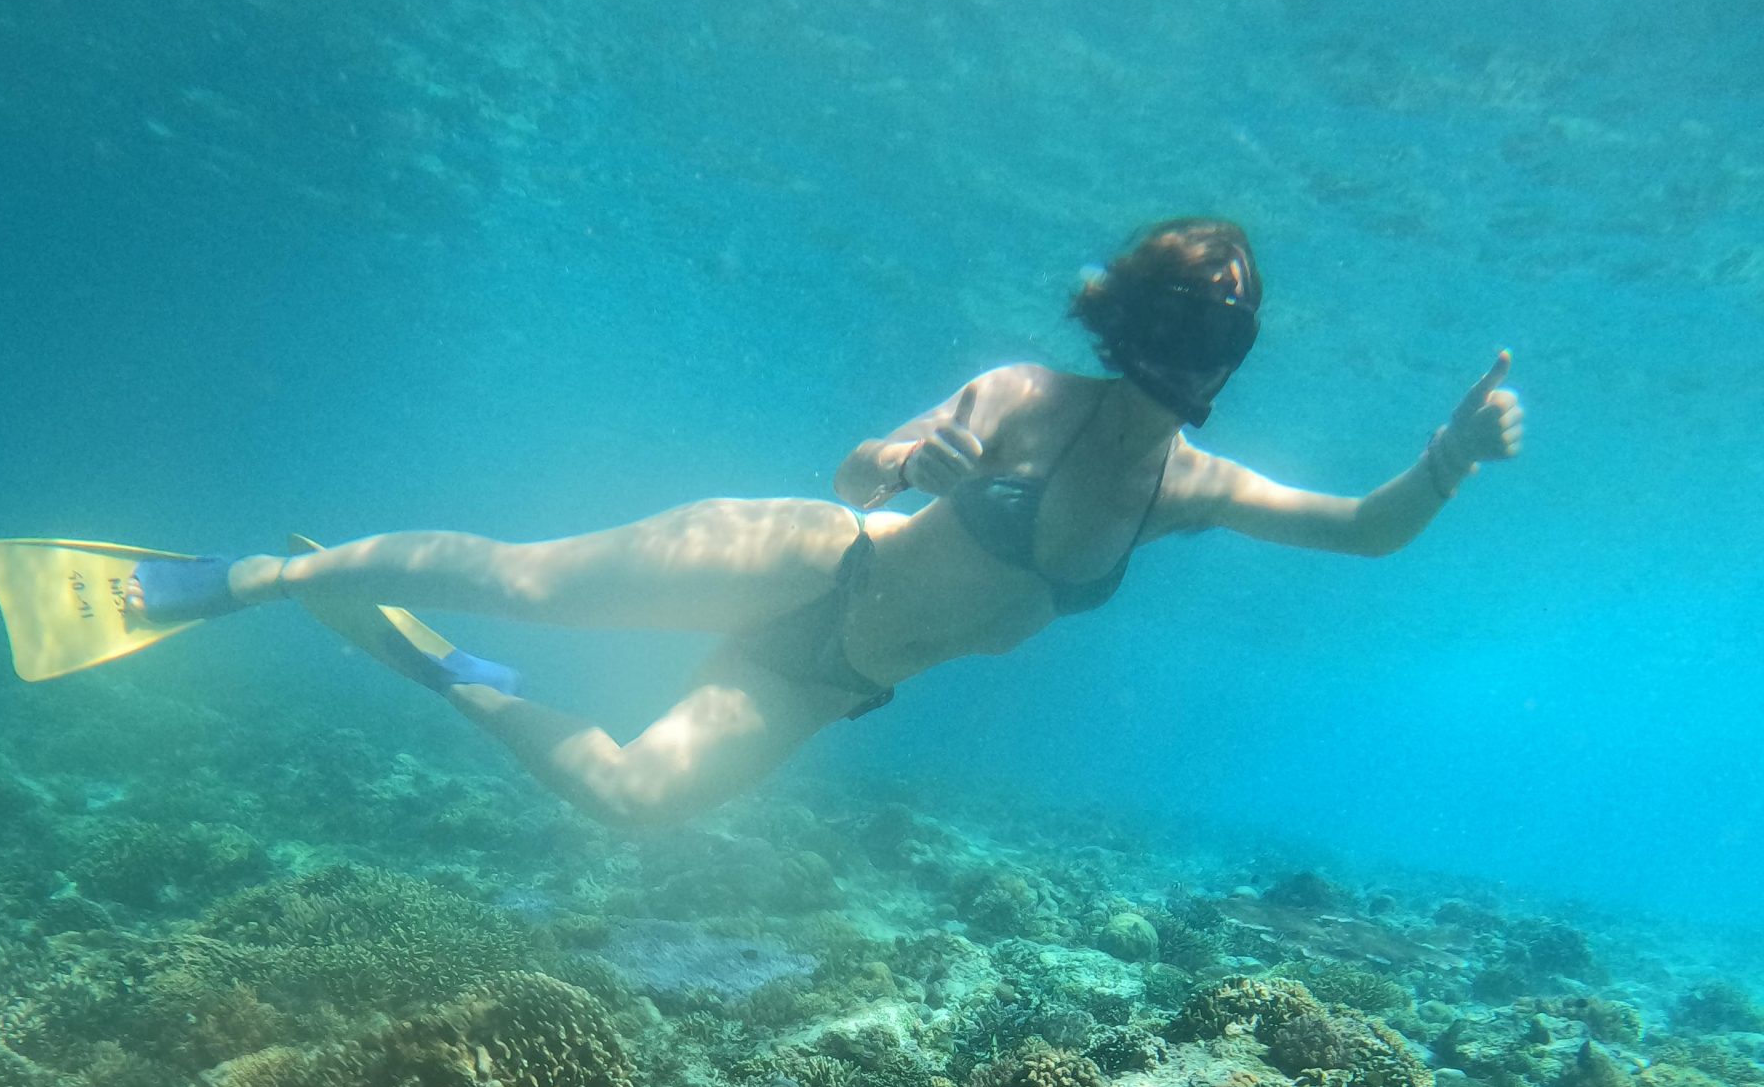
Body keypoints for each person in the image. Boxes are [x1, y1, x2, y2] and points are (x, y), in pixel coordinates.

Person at [128, 219, 1523, 828]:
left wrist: (1447, 461)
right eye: (1170, 314)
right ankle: (258, 576)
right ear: (1125, 316)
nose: (1188, 348)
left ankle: (436, 666)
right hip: (797, 555)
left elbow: (1359, 530)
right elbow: (861, 474)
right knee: (529, 579)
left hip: (828, 677)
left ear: (1236, 349)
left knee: (634, 801)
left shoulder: (1192, 492)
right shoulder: (1028, 395)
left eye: (1216, 329)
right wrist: (914, 449)